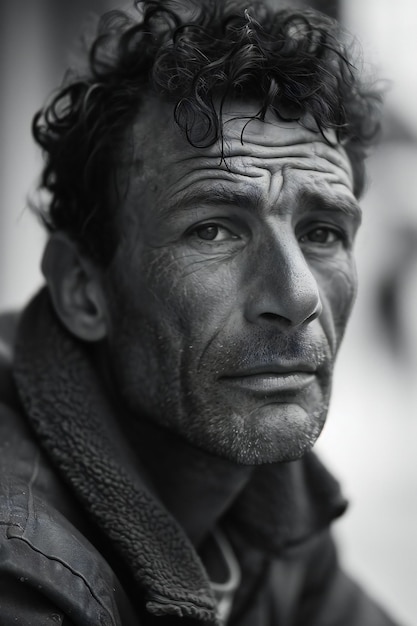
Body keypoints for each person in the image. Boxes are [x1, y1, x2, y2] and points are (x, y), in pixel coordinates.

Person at [0, 1, 400, 624]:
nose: (298, 298)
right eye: (213, 231)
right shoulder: (21, 565)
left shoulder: (271, 502)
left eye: (322, 232)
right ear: (82, 289)